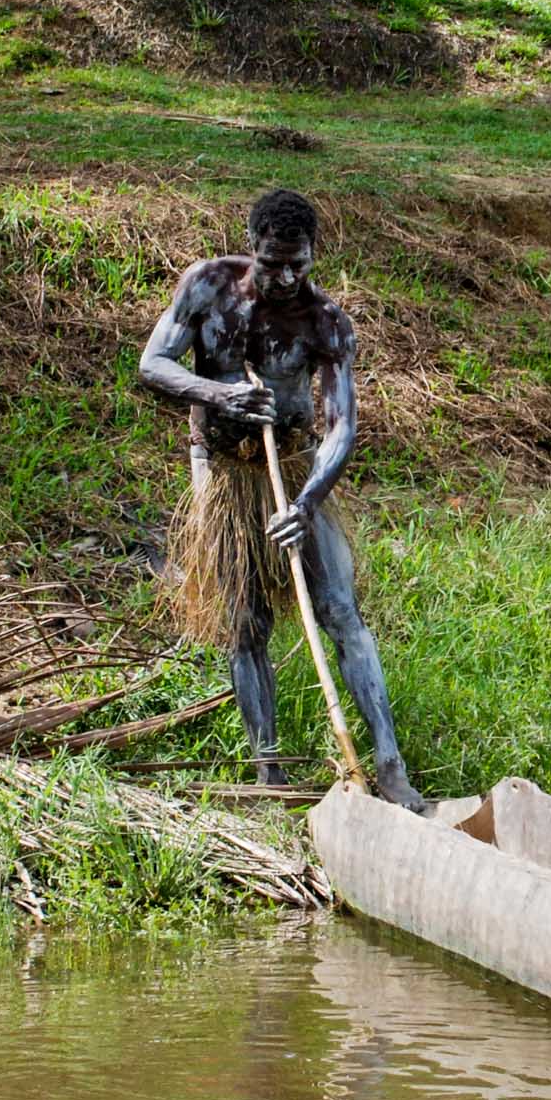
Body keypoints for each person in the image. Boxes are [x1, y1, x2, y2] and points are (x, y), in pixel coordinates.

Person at [137, 190, 428, 814]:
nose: (287, 277)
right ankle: (267, 769)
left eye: (299, 263)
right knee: (247, 624)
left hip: (295, 469)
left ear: (314, 255)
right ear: (252, 247)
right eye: (273, 263)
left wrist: (305, 502)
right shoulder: (208, 286)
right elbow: (153, 364)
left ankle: (390, 766)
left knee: (340, 612)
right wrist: (217, 396)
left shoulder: (327, 322)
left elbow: (342, 425)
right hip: (221, 472)